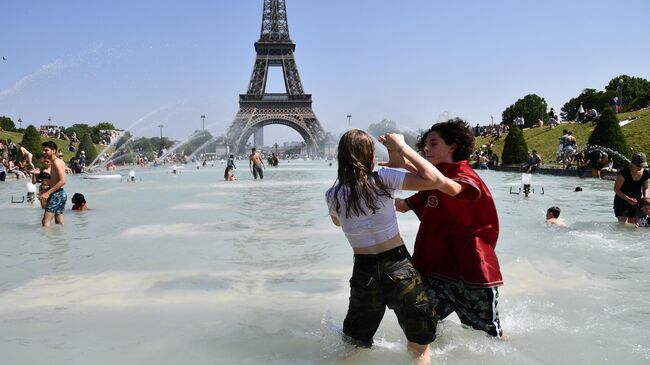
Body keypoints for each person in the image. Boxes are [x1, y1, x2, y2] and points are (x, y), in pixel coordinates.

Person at [327, 129, 449, 363]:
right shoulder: (383, 179)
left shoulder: (332, 194)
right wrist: (402, 148)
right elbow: (436, 180)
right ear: (370, 154)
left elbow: (336, 221)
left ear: (341, 157)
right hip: (399, 268)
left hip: (364, 273)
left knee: (354, 346)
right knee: (419, 347)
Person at [394, 119, 504, 339]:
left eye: (433, 144)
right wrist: (366, 193)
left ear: (452, 146)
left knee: (492, 339)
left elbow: (448, 186)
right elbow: (402, 206)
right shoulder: (432, 184)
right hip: (438, 271)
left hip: (472, 273)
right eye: (425, 144)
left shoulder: (465, 177)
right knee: (418, 323)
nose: (426, 148)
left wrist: (403, 149)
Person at [613, 152, 649, 225]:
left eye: (642, 165)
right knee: (623, 225)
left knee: (633, 225)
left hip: (637, 201)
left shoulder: (646, 173)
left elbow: (646, 188)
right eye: (638, 165)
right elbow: (616, 189)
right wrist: (628, 199)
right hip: (622, 200)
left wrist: (645, 198)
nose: (640, 167)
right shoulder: (623, 173)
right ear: (632, 163)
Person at [38, 141, 67, 226]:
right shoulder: (56, 161)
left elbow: (62, 181)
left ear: (53, 151)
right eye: (43, 150)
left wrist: (47, 193)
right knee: (59, 222)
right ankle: (60, 239)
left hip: (56, 194)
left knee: (45, 222)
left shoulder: (56, 163)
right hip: (60, 194)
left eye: (46, 150)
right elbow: (56, 180)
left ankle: (47, 239)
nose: (43, 152)